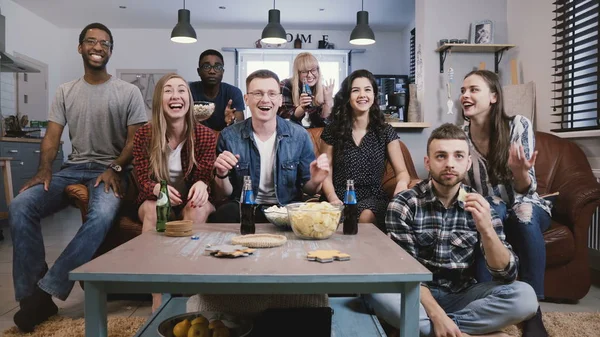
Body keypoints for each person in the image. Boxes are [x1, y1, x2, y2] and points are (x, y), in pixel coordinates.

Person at [8, 23, 147, 332]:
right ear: (80, 47)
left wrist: (116, 168)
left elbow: (135, 143)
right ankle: (31, 296)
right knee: (20, 205)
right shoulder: (65, 91)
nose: (98, 47)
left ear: (111, 50)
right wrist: (45, 167)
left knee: (101, 216)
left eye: (105, 43)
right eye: (91, 41)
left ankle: (46, 292)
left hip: (111, 171)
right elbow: (53, 136)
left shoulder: (128, 92)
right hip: (72, 168)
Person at [366, 123, 539, 337]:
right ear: (428, 163)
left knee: (525, 297)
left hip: (462, 294)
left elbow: (506, 274)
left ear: (467, 163)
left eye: (458, 156)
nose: (450, 164)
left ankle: (430, 330)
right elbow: (405, 275)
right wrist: (436, 314)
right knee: (376, 293)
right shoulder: (404, 204)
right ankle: (457, 331)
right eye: (441, 156)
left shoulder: (482, 206)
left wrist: (486, 230)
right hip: (415, 294)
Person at [460, 69, 552, 335]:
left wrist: (520, 171)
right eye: (463, 90)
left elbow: (526, 188)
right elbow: (462, 189)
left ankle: (532, 312)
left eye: (473, 89)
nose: (465, 95)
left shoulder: (518, 125)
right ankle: (488, 303)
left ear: (493, 97)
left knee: (523, 214)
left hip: (525, 203)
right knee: (491, 209)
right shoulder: (460, 136)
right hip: (491, 207)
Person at [133, 73, 217, 311]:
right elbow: (141, 178)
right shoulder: (144, 135)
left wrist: (203, 184)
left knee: (197, 209)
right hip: (157, 200)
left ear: (189, 100)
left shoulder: (204, 135)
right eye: (168, 90)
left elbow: (205, 176)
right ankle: (157, 294)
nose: (175, 95)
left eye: (181, 90)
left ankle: (191, 290)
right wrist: (157, 188)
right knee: (153, 207)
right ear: (160, 99)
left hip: (190, 200)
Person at [209, 69, 330, 223]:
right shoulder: (229, 136)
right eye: (258, 93)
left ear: (280, 100)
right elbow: (224, 193)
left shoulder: (299, 135)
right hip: (244, 208)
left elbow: (309, 189)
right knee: (225, 213)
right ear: (246, 99)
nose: (265, 99)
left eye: (272, 94)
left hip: (286, 210)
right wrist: (221, 173)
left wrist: (316, 180)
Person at [320, 69, 411, 230]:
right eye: (356, 90)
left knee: (366, 214)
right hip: (339, 196)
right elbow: (325, 172)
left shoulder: (385, 131)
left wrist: (402, 184)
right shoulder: (332, 131)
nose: (362, 95)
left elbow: (402, 172)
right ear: (348, 97)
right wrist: (333, 198)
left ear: (374, 95)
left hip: (373, 197)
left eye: (367, 90)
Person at [189, 49, 245, 131]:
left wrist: (232, 122)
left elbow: (240, 128)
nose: (212, 71)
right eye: (206, 67)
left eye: (218, 67)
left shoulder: (233, 92)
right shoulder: (188, 91)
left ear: (223, 71)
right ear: (199, 71)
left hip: (224, 141)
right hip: (195, 141)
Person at [278, 52, 335, 128]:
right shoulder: (286, 85)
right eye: (304, 71)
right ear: (297, 73)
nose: (310, 75)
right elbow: (285, 120)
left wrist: (328, 102)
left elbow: (324, 125)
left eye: (313, 70)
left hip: (316, 136)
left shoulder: (323, 90)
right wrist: (301, 108)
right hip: (293, 135)